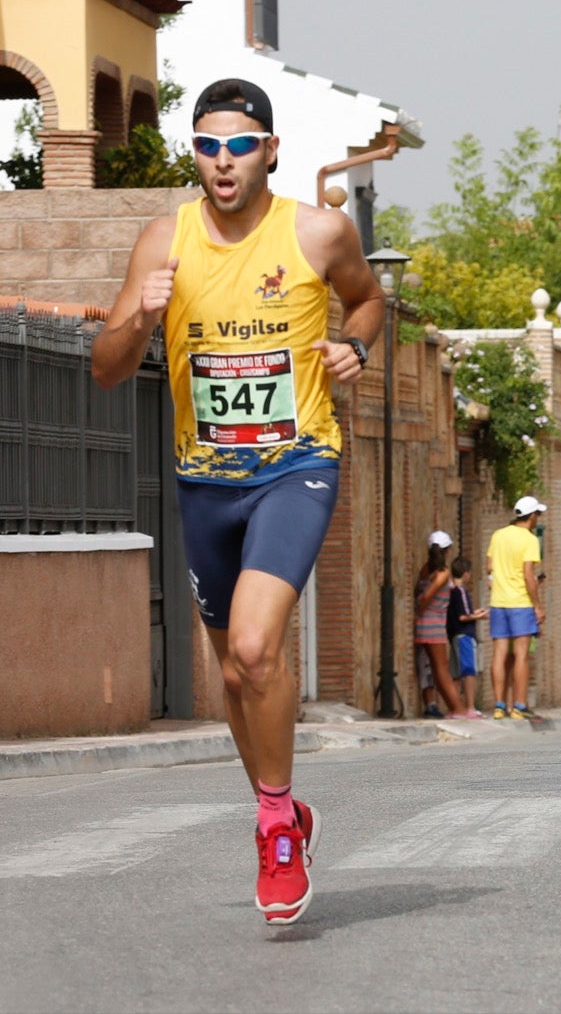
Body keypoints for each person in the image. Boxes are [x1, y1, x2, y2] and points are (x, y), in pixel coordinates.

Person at [89, 78, 384, 924]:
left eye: (240, 144)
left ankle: (274, 826)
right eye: (208, 145)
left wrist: (355, 347)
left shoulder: (319, 231)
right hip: (204, 481)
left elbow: (368, 301)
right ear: (197, 155)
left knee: (256, 647)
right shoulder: (163, 240)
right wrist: (142, 318)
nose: (223, 161)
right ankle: (284, 806)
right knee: (229, 666)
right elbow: (106, 369)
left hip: (297, 466)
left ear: (272, 150)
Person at [486, 495, 547, 722]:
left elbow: (489, 567)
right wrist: (537, 606)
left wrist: (497, 584)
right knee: (521, 655)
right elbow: (528, 575)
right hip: (520, 603)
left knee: (499, 654)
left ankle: (499, 706)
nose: (537, 519)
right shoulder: (530, 540)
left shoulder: (498, 535)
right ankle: (519, 706)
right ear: (531, 516)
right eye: (537, 515)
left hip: (498, 602)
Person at [415, 531, 468, 718]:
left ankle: (452, 707)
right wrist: (420, 611)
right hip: (433, 623)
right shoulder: (442, 573)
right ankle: (458, 708)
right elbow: (428, 595)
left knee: (437, 668)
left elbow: (419, 590)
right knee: (442, 668)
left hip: (426, 622)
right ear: (447, 551)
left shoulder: (425, 569)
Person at [446, 555, 489, 715]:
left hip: (454, 636)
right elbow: (463, 616)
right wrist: (480, 616)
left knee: (456, 674)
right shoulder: (461, 591)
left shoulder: (450, 590)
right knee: (469, 672)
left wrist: (475, 612)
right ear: (465, 573)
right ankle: (470, 707)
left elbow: (461, 612)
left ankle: (455, 708)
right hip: (465, 635)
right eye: (469, 573)